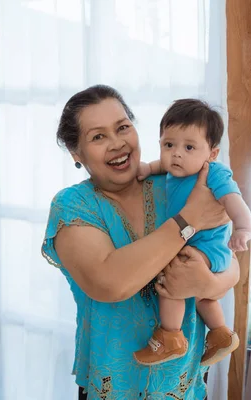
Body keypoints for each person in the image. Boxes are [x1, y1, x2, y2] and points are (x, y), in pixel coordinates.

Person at [41, 85, 240, 400]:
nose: (117, 143)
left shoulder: (175, 183)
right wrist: (189, 218)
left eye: (122, 128)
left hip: (184, 387)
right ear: (76, 154)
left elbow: (228, 261)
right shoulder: (73, 205)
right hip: (113, 388)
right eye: (98, 137)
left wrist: (207, 283)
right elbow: (109, 282)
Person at [134, 99, 251, 367]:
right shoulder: (177, 168)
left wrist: (243, 228)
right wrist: (147, 168)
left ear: (211, 154)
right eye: (168, 144)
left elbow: (235, 202)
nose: (176, 154)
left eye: (189, 147)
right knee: (200, 295)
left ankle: (170, 337)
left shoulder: (214, 174)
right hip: (198, 246)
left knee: (172, 281)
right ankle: (221, 333)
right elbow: (160, 165)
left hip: (209, 249)